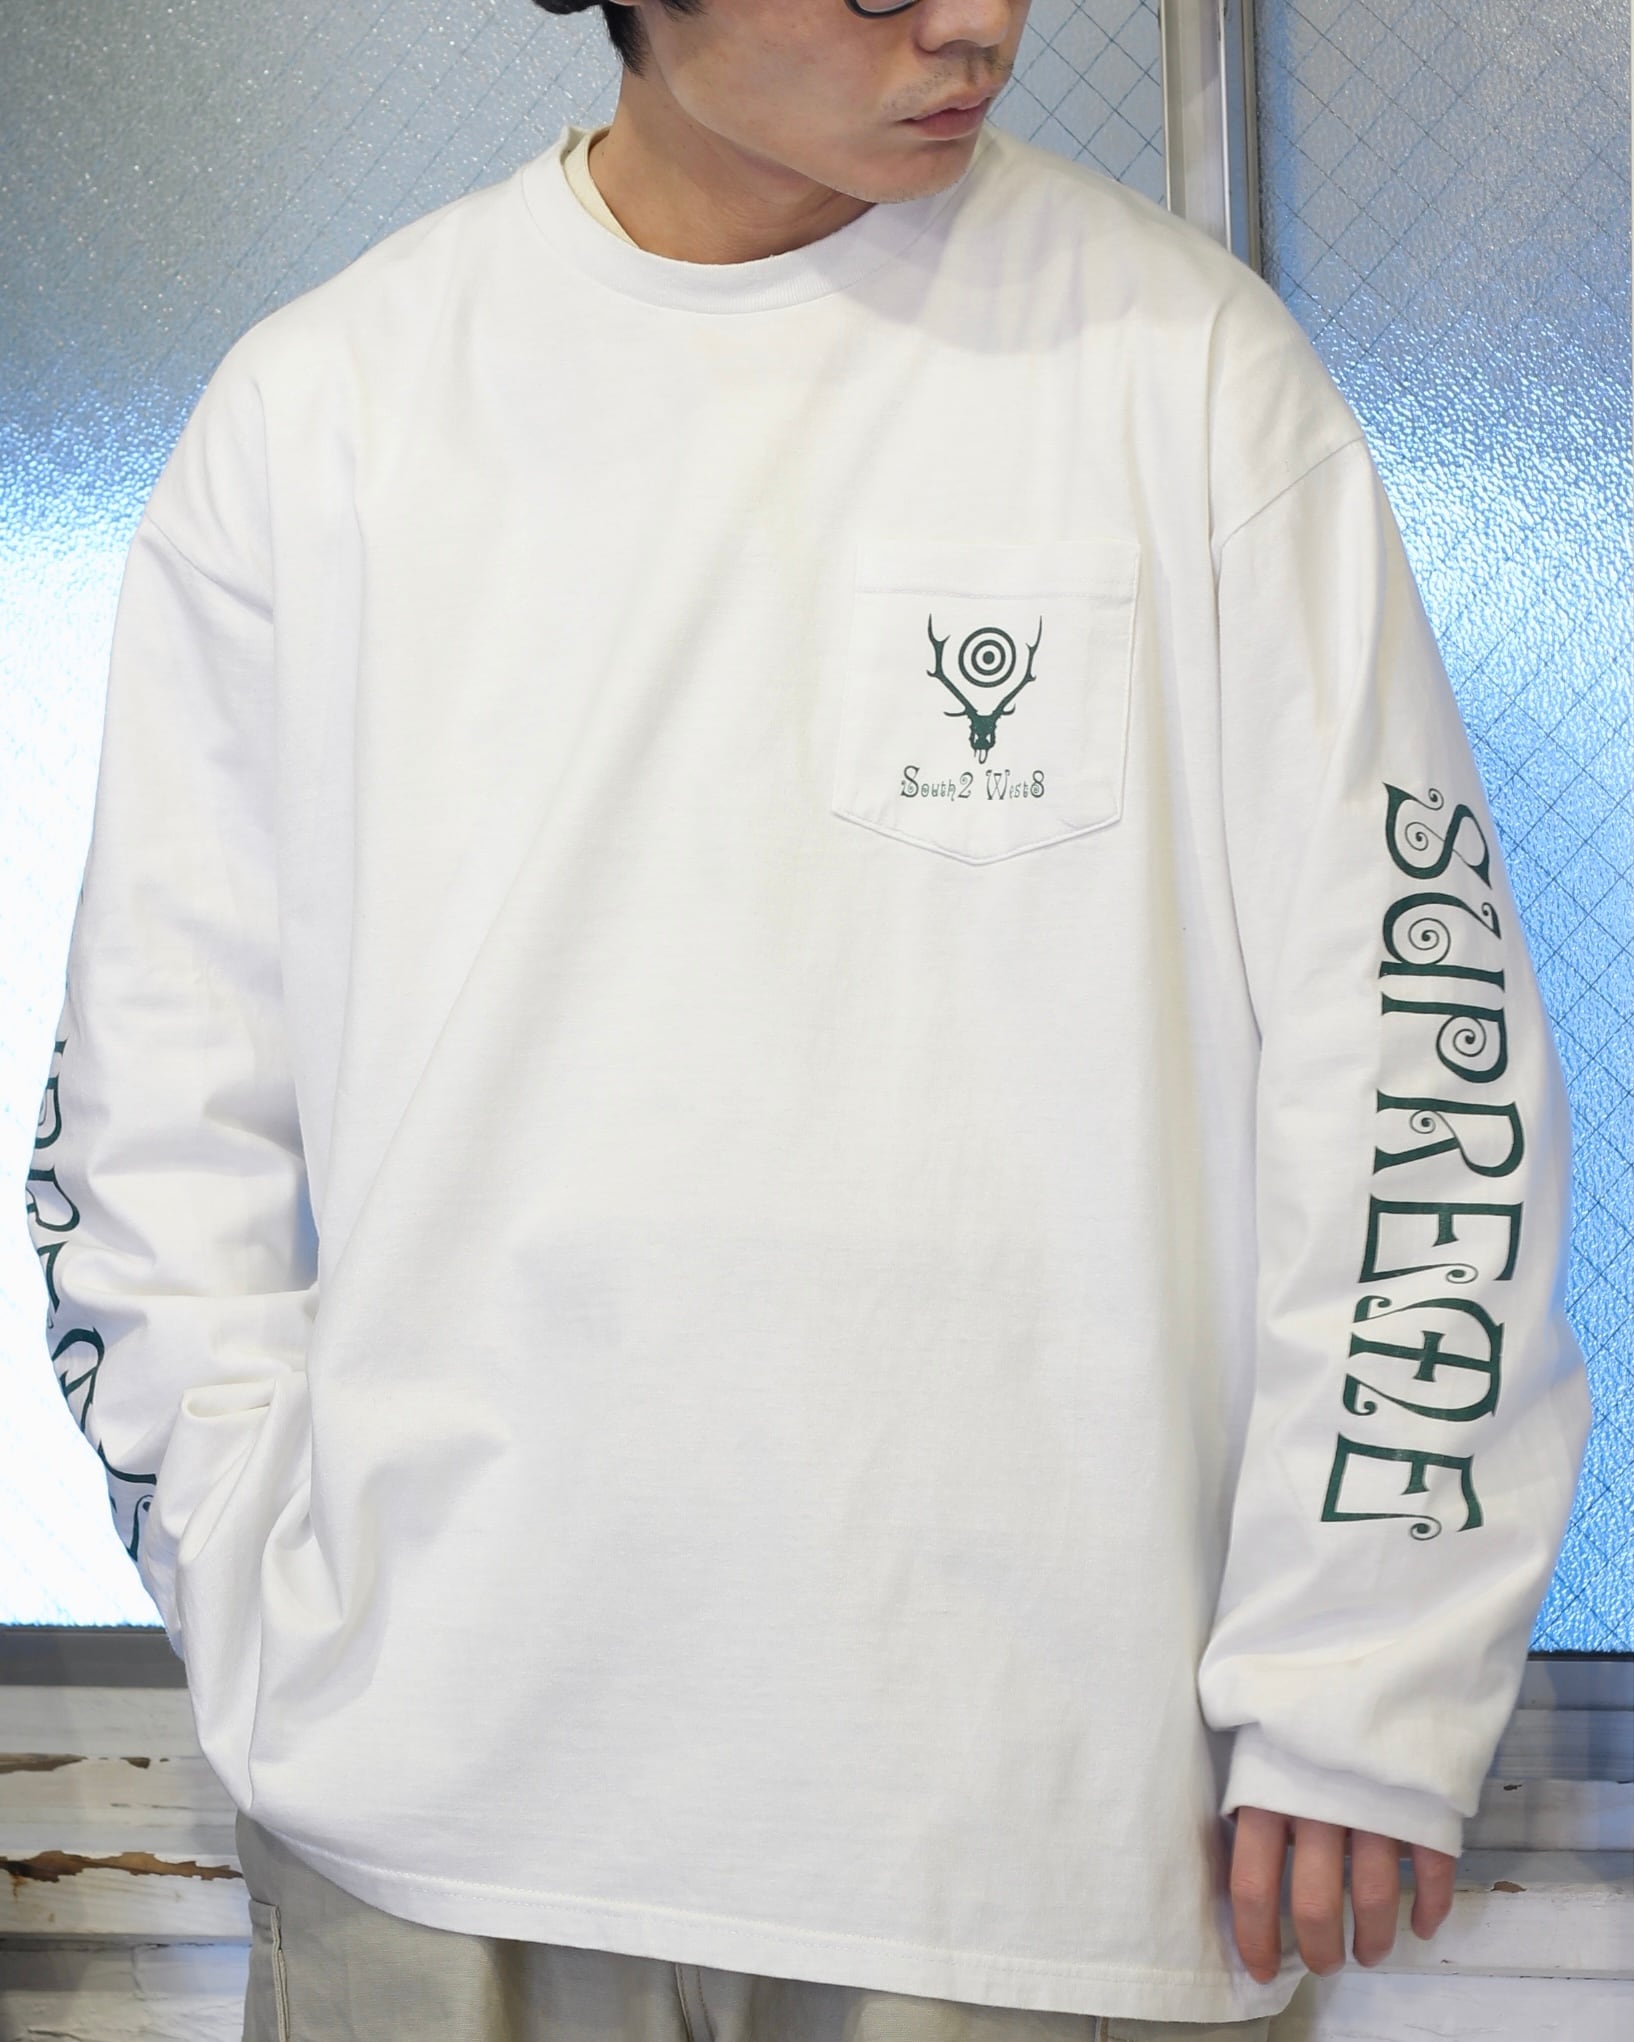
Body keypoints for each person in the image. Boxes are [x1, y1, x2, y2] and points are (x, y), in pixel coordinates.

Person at [23, 1, 1591, 2037]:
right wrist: (256, 1593)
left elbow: (1410, 1052)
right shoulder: (330, 408)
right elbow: (154, 1095)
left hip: (1029, 1839)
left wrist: (1361, 1664)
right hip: (428, 1814)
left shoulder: (1181, 371)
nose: (973, 22)